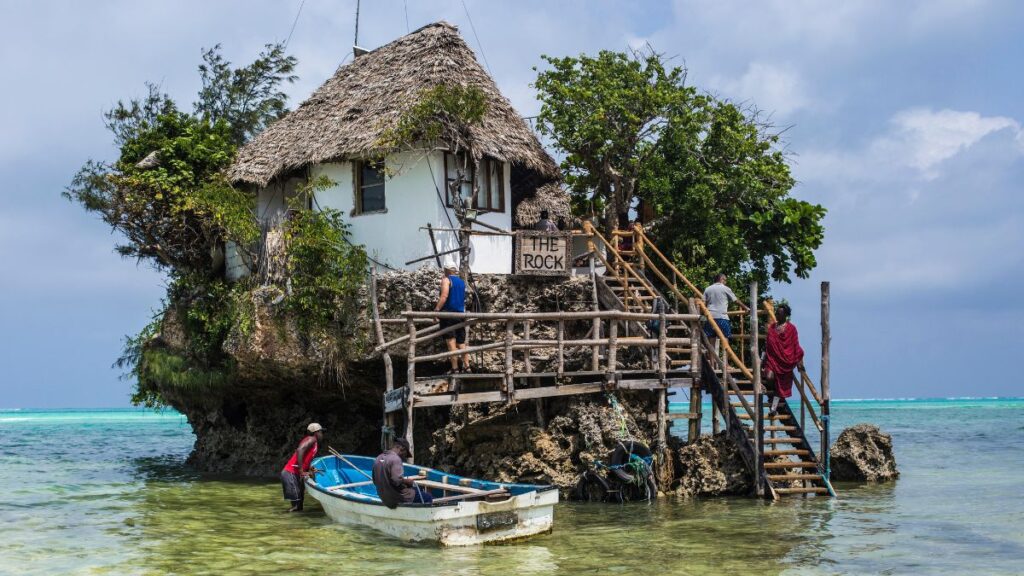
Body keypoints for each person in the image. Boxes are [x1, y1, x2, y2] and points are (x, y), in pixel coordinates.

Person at [763, 303, 804, 418]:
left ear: (786, 315)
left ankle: (773, 408)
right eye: (776, 313)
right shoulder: (772, 327)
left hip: (786, 362)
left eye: (780, 314)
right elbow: (768, 345)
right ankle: (773, 399)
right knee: (770, 378)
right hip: (772, 360)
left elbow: (796, 346)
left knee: (779, 387)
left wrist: (799, 362)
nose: (777, 315)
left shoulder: (791, 328)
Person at [372, 438, 433, 509]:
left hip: (384, 498)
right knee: (428, 497)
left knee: (415, 490)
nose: (404, 457)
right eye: (405, 454)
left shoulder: (378, 458)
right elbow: (397, 481)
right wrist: (407, 481)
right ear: (402, 449)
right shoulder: (396, 459)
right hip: (396, 497)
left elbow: (374, 480)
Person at [280, 422, 323, 512]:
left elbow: (306, 458)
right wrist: (301, 471)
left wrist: (310, 469)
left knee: (299, 507)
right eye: (320, 432)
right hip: (290, 473)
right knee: (296, 507)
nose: (322, 434)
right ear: (316, 433)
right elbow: (300, 450)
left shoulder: (313, 443)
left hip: (295, 474)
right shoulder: (311, 439)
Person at [435, 265, 470, 373]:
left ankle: (455, 368)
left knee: (451, 342)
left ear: (447, 270)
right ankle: (467, 367)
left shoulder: (446, 280)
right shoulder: (461, 282)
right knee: (461, 342)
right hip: (460, 314)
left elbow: (444, 296)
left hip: (448, 314)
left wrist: (436, 310)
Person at [702, 273, 749, 353]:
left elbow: (703, 303)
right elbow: (736, 300)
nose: (726, 282)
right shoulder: (725, 288)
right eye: (725, 280)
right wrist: (746, 308)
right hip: (722, 318)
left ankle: (712, 364)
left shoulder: (708, 289)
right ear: (721, 279)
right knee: (725, 341)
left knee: (711, 343)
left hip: (710, 317)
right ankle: (725, 364)